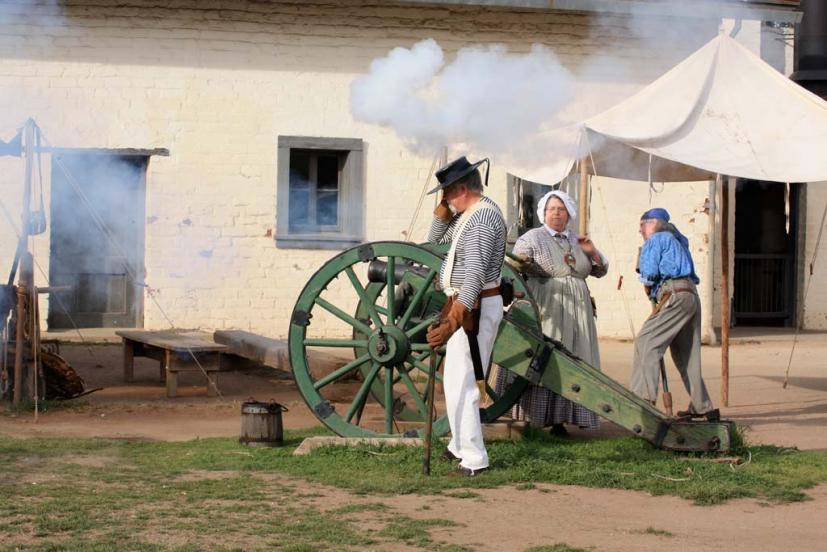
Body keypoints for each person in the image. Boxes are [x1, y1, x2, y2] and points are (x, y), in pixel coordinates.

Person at [498, 190, 607, 435]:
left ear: (569, 213)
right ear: (543, 213)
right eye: (551, 209)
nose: (556, 214)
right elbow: (515, 264)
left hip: (578, 311)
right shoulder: (533, 237)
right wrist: (523, 263)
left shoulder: (577, 241)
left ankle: (561, 419)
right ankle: (535, 416)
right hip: (546, 305)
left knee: (574, 357)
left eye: (561, 209)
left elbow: (600, 271)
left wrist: (592, 252)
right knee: (543, 357)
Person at [425, 155, 506, 477]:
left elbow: (473, 272)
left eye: (446, 195)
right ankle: (459, 444)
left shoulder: (482, 219)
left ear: (460, 189)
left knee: (467, 383)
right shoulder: (469, 215)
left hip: (475, 307)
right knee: (455, 380)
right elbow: (435, 243)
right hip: (466, 305)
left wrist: (453, 319)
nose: (445, 200)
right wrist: (441, 214)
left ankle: (474, 458)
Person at [631, 208, 718, 421]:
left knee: (646, 342)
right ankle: (703, 406)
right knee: (686, 354)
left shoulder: (656, 238)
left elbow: (649, 273)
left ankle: (642, 400)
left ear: (653, 223)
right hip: (689, 295)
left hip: (673, 295)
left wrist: (647, 282)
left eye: (642, 224)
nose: (640, 229)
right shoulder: (678, 240)